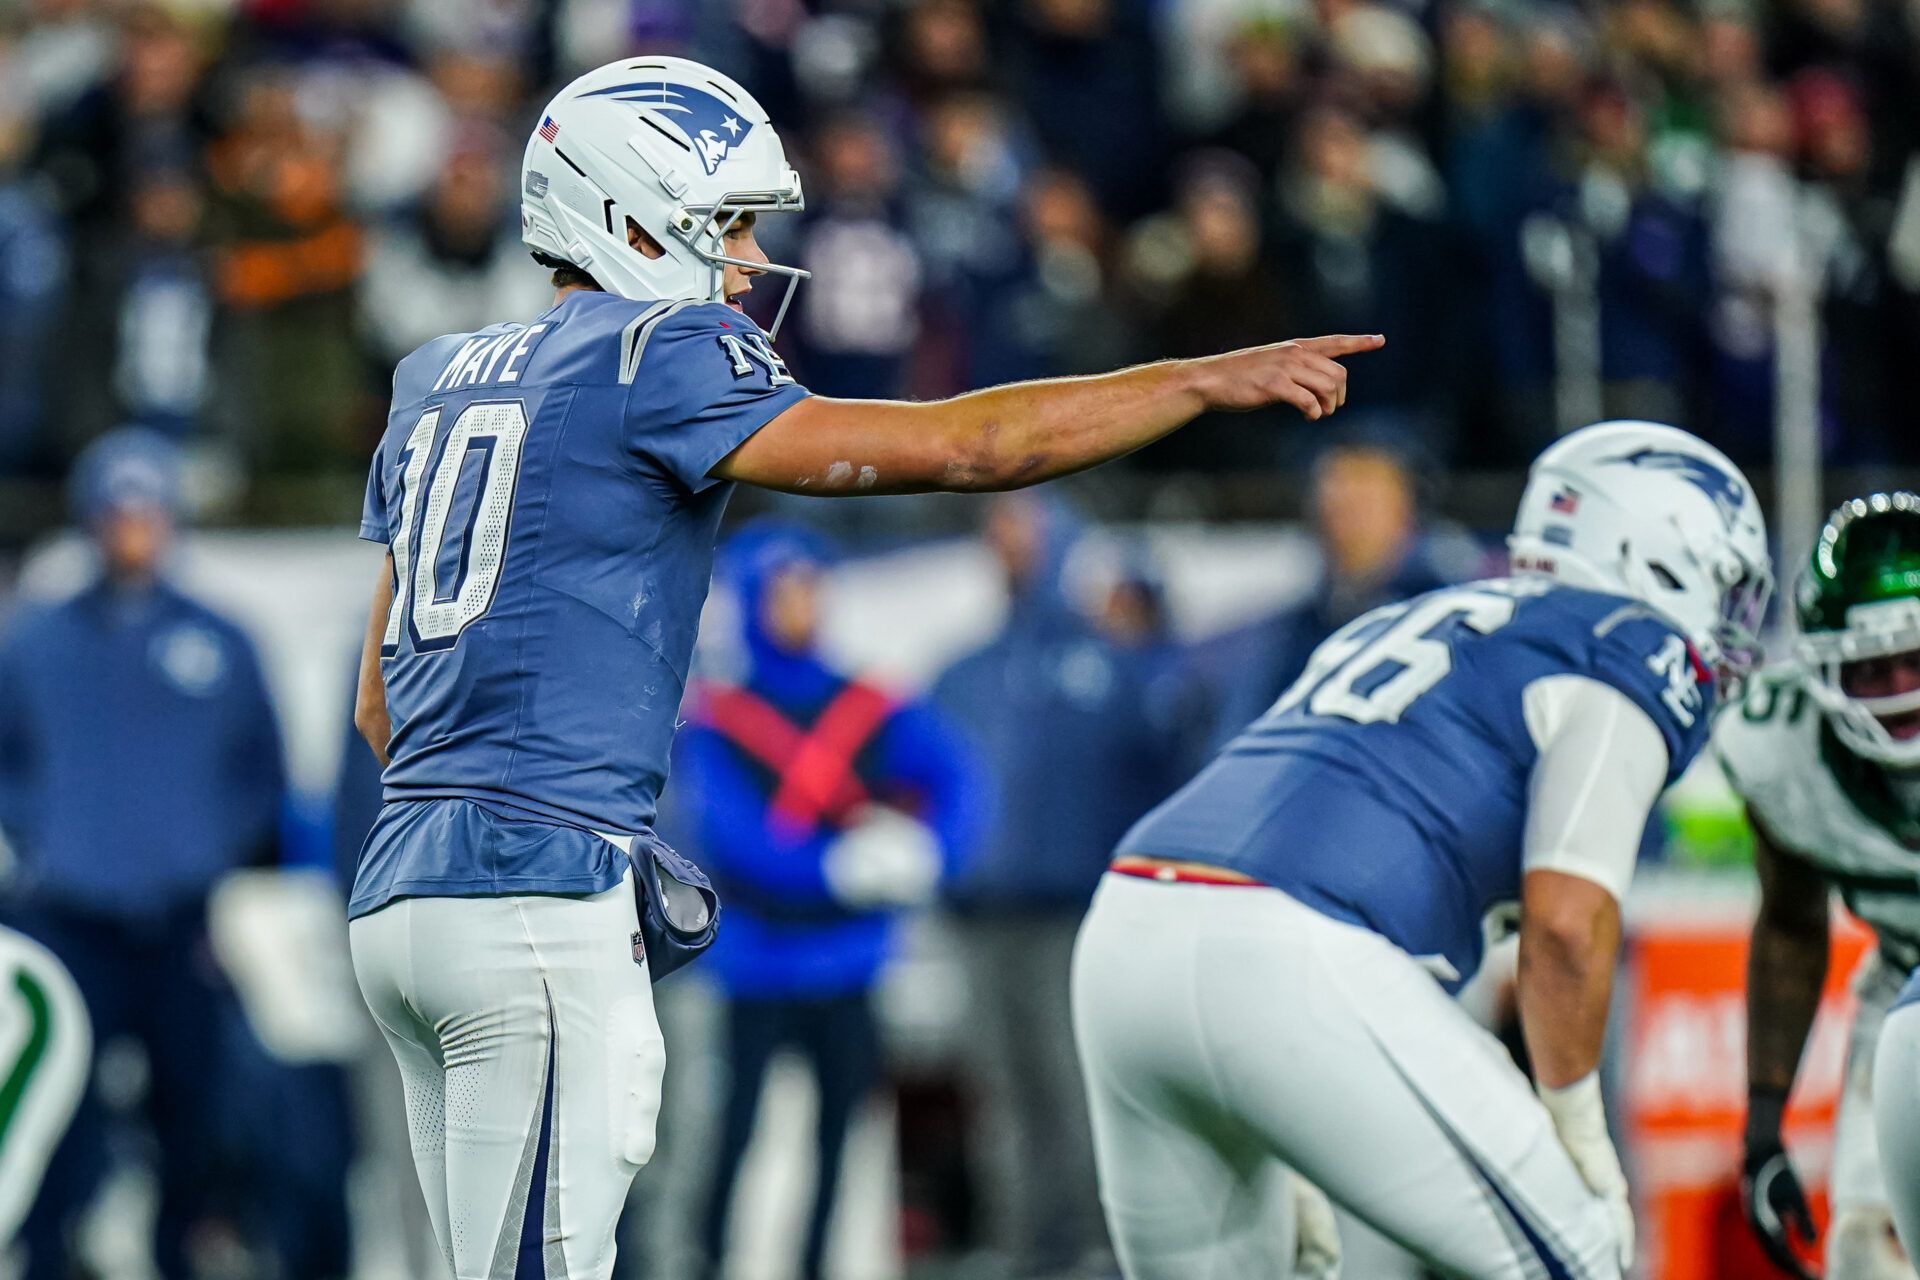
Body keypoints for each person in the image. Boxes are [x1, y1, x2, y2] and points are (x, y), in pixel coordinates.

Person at [347, 54, 1380, 1280]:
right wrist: (1195, 379)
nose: (742, 261)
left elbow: (380, 705)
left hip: (401, 894)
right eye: (720, 225)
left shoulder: (433, 379)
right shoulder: (652, 359)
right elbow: (971, 447)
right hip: (531, 887)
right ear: (625, 219)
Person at [1071, 420, 1772, 1279]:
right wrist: (1575, 1121)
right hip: (1291, 953)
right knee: (1581, 1253)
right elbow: (1564, 921)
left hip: (1128, 929)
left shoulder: (1396, 619)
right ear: (1660, 552)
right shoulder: (1632, 642)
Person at [0, 428, 288, 1279]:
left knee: (195, 1118)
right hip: (68, 917)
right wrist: (44, 832)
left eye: (148, 510)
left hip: (180, 922)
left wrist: (206, 845)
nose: (133, 528)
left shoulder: (221, 642)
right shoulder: (37, 638)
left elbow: (260, 772)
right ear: (91, 518)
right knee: (56, 1115)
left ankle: (181, 1258)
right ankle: (47, 1257)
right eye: (118, 511)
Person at [678, 522, 984, 1280]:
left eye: (811, 587)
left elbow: (962, 783)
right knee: (735, 1130)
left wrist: (927, 852)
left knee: (841, 1136)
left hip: (851, 962)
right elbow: (730, 834)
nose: (799, 605)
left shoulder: (869, 705)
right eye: (782, 590)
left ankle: (818, 1264)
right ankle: (710, 1257)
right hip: (755, 963)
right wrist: (836, 869)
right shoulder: (715, 715)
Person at [1721, 491, 1920, 1279]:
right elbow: (1793, 925)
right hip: (1906, 983)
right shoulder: (1783, 751)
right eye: (1873, 669)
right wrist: (1764, 1125)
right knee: (1868, 1253)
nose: (1902, 689)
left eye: (1916, 659)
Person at [1205, 439, 1475, 743]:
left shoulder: (1448, 613)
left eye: (1364, 497)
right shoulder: (1297, 631)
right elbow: (1247, 738)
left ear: (1406, 508)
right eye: (1335, 497)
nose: (1344, 513)